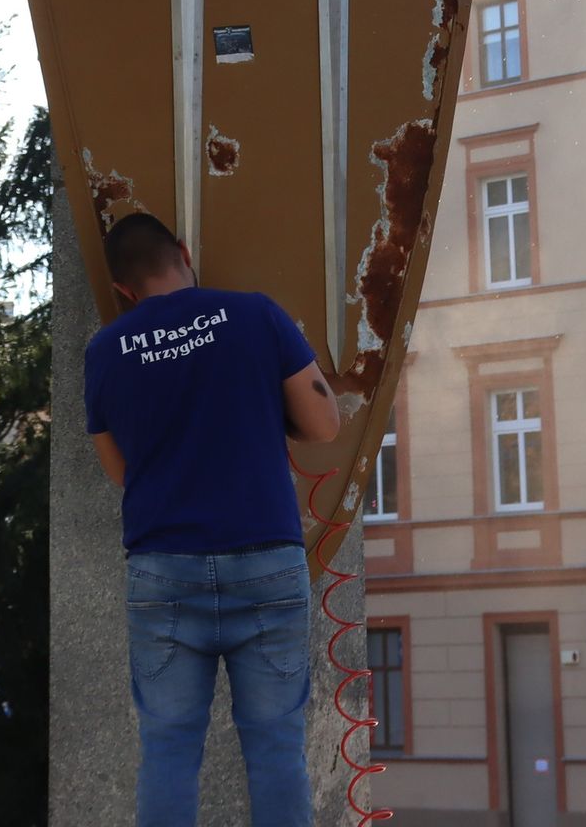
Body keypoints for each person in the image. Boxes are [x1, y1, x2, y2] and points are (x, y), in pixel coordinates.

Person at [84, 209, 341, 827]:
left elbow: (119, 468)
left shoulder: (106, 350)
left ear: (122, 289)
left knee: (168, 754)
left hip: (163, 572)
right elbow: (324, 425)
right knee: (278, 752)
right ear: (184, 251)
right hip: (265, 564)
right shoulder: (255, 315)